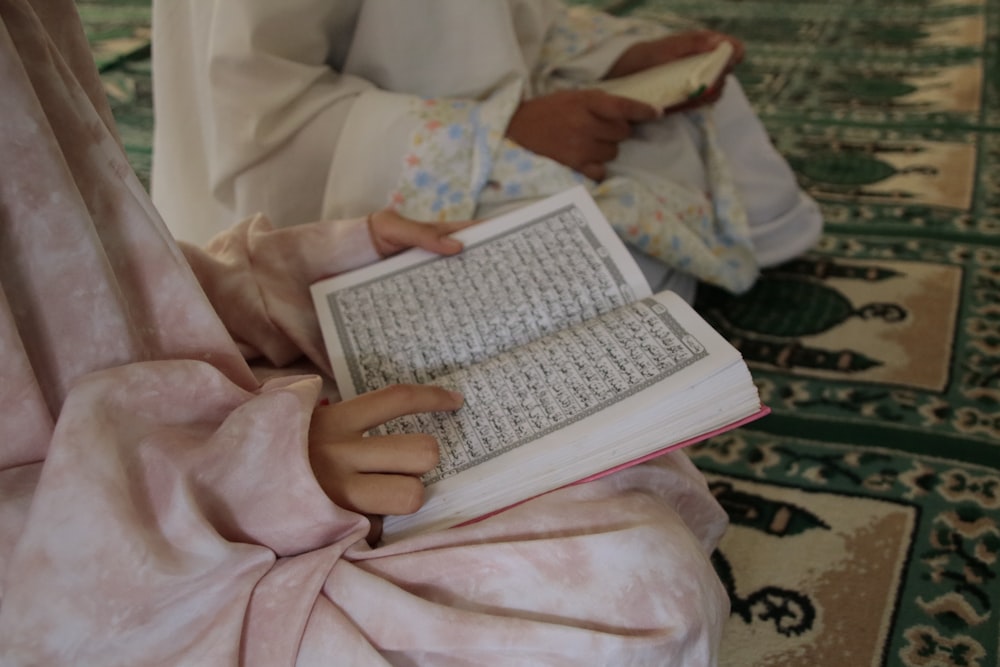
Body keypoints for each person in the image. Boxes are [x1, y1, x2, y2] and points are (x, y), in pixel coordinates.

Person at [0, 1, 731, 664]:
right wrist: (245, 480)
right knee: (637, 587)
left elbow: (84, 275)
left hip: (173, 421)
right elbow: (261, 115)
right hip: (109, 559)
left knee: (621, 458)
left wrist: (288, 273)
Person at [150, 0, 823, 302]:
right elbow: (258, 124)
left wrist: (621, 59)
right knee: (583, 236)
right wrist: (505, 132)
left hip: (485, 121)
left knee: (697, 107)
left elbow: (517, 24)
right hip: (363, 179)